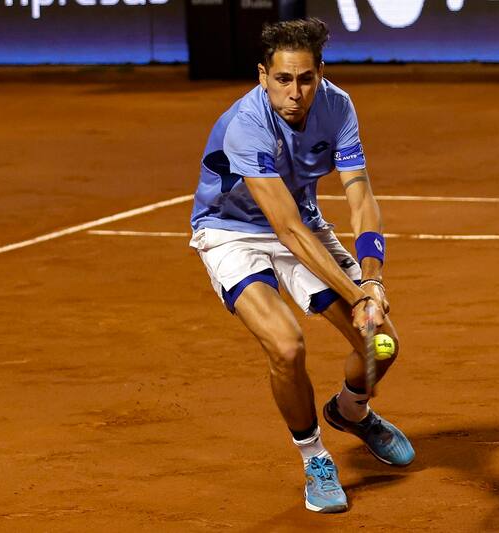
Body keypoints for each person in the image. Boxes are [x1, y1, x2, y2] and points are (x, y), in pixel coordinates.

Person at [189, 17, 414, 514]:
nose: (295, 93)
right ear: (262, 76)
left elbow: (360, 194)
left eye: (306, 79)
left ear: (320, 74)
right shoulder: (244, 126)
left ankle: (352, 412)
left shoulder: (338, 107)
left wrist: (372, 280)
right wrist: (356, 295)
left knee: (382, 345)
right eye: (283, 79)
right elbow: (284, 228)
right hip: (232, 234)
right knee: (287, 347)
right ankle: (314, 455)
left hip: (304, 225)